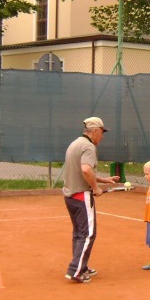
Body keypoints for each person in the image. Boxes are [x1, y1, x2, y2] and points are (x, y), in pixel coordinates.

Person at [63, 117, 119, 283]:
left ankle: (82, 265)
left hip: (70, 196)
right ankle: (76, 271)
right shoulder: (89, 146)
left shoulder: (76, 143)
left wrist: (103, 180)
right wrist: (95, 188)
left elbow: (83, 172)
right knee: (88, 234)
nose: (102, 136)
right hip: (82, 196)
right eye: (101, 132)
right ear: (94, 131)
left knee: (79, 234)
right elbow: (86, 169)